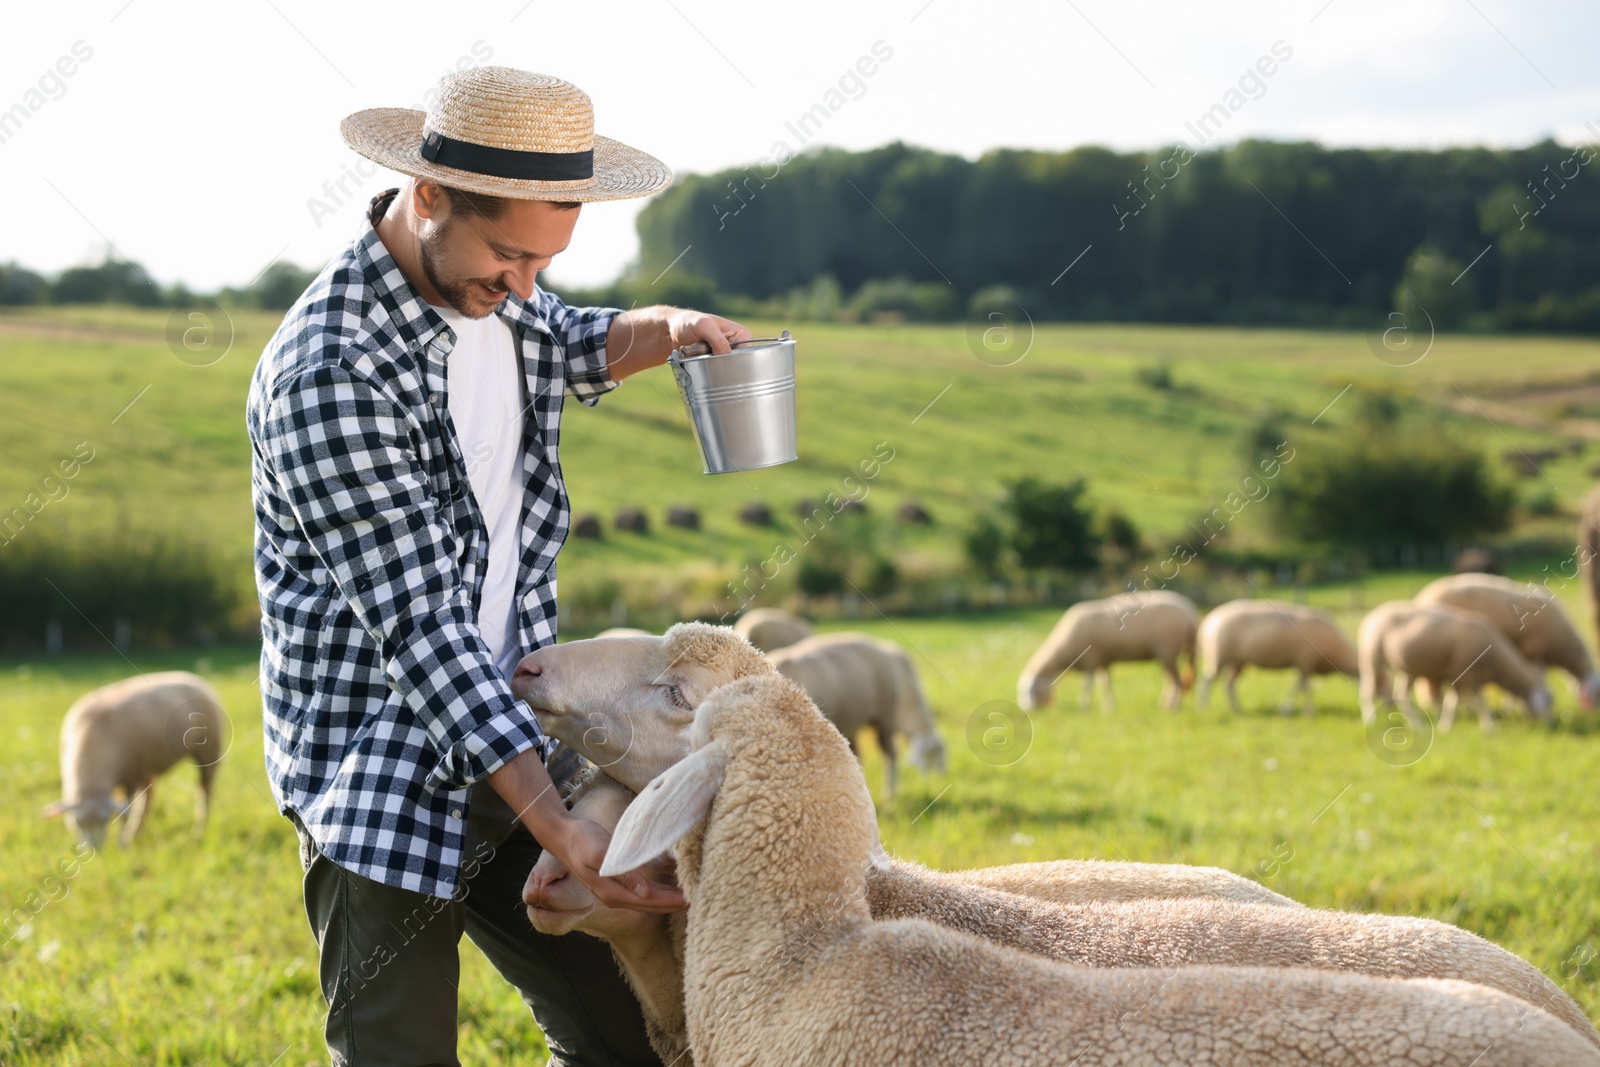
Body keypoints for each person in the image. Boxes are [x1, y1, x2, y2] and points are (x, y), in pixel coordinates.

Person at [246, 66, 751, 1067]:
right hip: (380, 768)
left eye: (544, 258)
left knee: (637, 1037)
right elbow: (424, 635)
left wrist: (670, 327)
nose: (523, 283)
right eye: (509, 254)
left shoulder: (491, 293)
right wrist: (563, 826)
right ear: (425, 196)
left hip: (517, 735)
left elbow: (558, 336)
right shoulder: (331, 370)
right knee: (402, 1053)